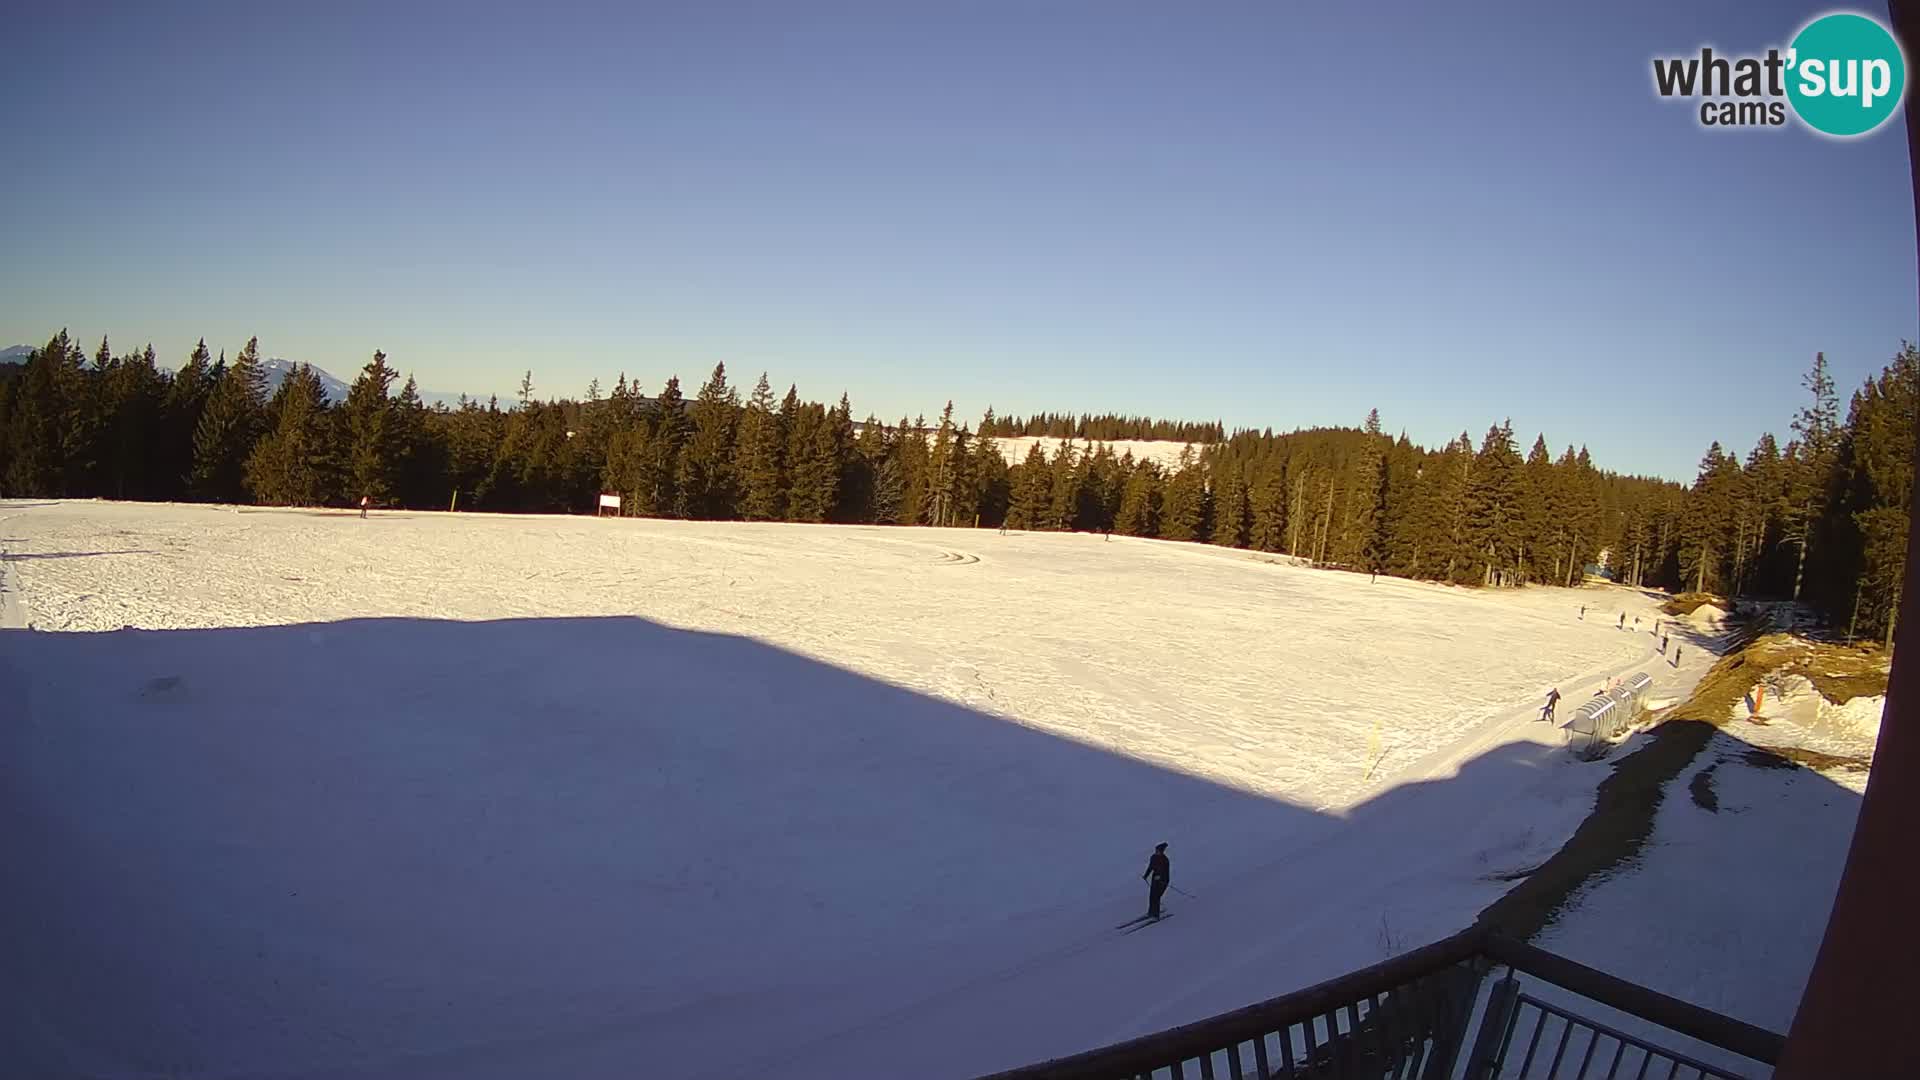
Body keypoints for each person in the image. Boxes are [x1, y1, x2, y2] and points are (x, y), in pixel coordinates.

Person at [1142, 842, 1171, 919]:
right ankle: (1151, 912)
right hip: (1155, 879)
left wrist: (1161, 878)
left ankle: (1156, 915)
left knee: (1157, 896)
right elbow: (1150, 867)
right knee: (1152, 896)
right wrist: (1146, 875)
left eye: (1158, 851)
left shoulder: (1165, 860)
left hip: (1163, 880)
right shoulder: (1153, 857)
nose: (1156, 852)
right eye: (1156, 850)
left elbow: (1165, 872)